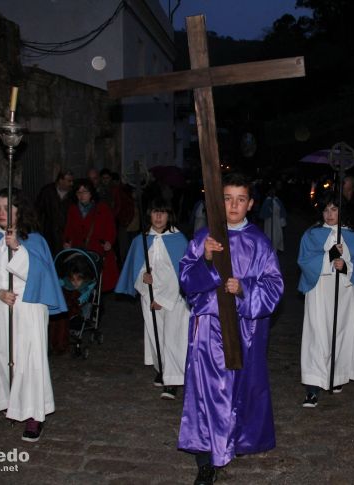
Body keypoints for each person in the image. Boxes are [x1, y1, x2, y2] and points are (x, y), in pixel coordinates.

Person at [178, 172, 284, 485]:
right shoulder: (203, 238)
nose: (233, 205)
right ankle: (206, 458)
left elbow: (274, 287)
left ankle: (232, 440)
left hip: (243, 333)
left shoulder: (260, 243)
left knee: (236, 390)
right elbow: (186, 281)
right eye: (227, 198)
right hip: (208, 331)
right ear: (217, 201)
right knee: (207, 392)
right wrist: (207, 261)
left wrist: (243, 289)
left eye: (240, 199)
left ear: (250, 204)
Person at [0, 188, 66, 442]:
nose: (1, 213)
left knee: (30, 361)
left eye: (8, 208)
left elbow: (42, 275)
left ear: (20, 211)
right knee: (3, 357)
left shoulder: (35, 241)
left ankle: (34, 415)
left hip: (29, 309)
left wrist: (18, 248)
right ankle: (14, 403)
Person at [297, 192, 354, 407]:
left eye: (334, 209)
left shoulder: (352, 236)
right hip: (319, 292)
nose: (329, 214)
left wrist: (346, 267)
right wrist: (328, 257)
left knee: (340, 334)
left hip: (344, 294)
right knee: (317, 336)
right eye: (326, 209)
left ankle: (335, 376)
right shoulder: (312, 234)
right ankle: (313, 387)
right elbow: (305, 262)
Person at [115, 198, 189, 400]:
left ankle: (172, 380)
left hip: (174, 300)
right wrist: (143, 279)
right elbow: (135, 270)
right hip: (149, 297)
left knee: (172, 339)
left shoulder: (179, 240)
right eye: (155, 212)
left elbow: (182, 275)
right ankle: (162, 368)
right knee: (155, 337)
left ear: (169, 215)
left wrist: (163, 299)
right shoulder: (141, 240)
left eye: (162, 212)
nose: (158, 217)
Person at [63, 179, 119, 292]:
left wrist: (109, 241)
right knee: (79, 284)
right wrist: (67, 242)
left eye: (85, 192)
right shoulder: (73, 209)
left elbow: (110, 228)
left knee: (97, 286)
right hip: (79, 253)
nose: (81, 195)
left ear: (91, 193)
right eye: (78, 192)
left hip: (98, 251)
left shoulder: (102, 208)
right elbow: (68, 229)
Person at [36, 170, 74, 256]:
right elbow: (38, 212)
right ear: (61, 180)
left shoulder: (72, 195)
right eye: (69, 181)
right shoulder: (47, 192)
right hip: (49, 233)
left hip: (65, 234)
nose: (71, 184)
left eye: (72, 181)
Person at [258, 186, 287, 252]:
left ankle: (276, 246)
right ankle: (269, 247)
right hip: (269, 221)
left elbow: (281, 211)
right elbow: (264, 213)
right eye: (271, 192)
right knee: (269, 234)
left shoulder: (277, 200)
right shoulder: (267, 201)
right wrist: (269, 211)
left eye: (273, 192)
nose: (272, 193)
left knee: (277, 234)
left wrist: (281, 219)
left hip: (276, 221)